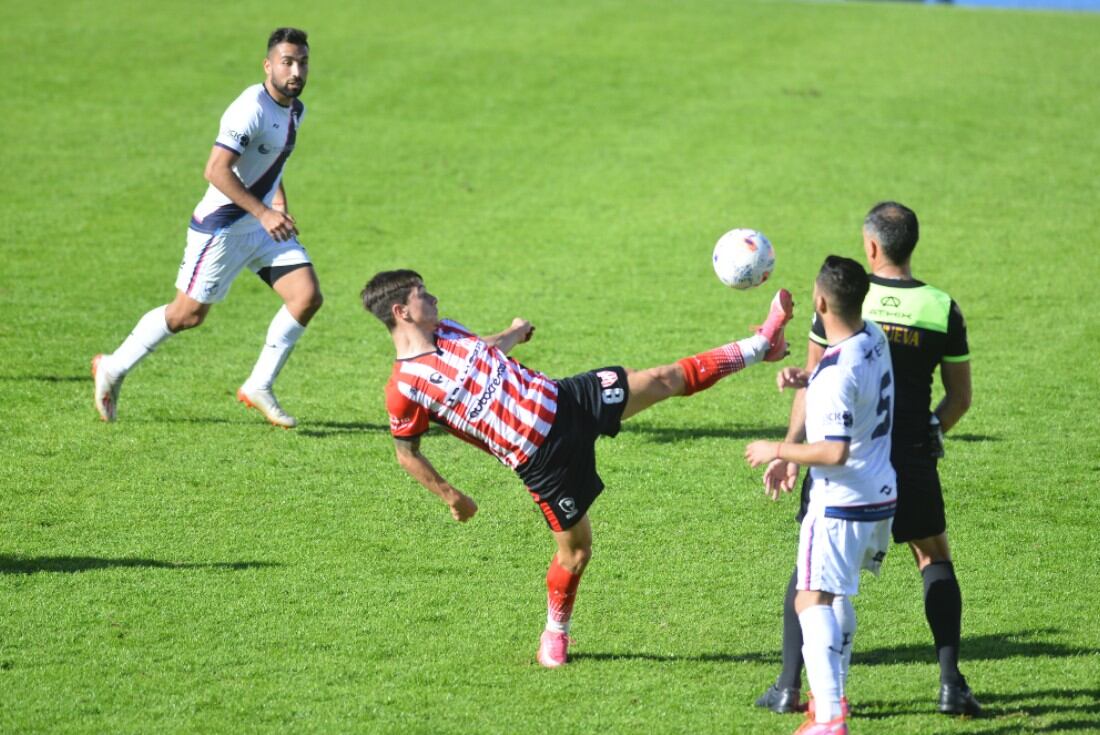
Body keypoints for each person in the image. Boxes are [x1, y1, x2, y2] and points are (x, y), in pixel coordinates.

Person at [361, 269, 794, 668]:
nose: (433, 298)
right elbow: (407, 453)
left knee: (661, 379)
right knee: (577, 551)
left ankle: (762, 344)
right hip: (543, 460)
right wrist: (451, 495)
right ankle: (555, 632)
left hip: (568, 399)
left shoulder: (448, 329)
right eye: (423, 295)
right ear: (401, 312)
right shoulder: (404, 389)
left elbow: (484, 351)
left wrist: (512, 333)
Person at [754, 202, 979, 718]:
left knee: (811, 569)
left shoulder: (845, 301)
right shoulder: (941, 307)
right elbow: (959, 398)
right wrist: (931, 431)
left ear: (871, 247)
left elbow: (816, 382)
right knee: (933, 557)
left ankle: (791, 686)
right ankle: (950, 684)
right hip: (909, 461)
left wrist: (787, 449)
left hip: (843, 467)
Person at [92, 27, 322, 428]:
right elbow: (216, 170)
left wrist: (277, 204)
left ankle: (258, 385)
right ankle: (113, 366)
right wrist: (264, 213)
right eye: (287, 61)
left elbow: (270, 161)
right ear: (268, 64)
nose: (296, 70)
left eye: (302, 61)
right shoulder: (249, 108)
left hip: (261, 225)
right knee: (187, 315)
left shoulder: (294, 108)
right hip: (223, 228)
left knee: (306, 296)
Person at [746, 255, 896, 735]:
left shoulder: (834, 376)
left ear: (821, 301)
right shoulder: (872, 338)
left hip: (839, 501)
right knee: (834, 593)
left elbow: (833, 450)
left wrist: (778, 448)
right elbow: (850, 385)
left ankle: (829, 716)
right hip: (879, 493)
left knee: (809, 600)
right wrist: (806, 376)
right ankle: (832, 699)